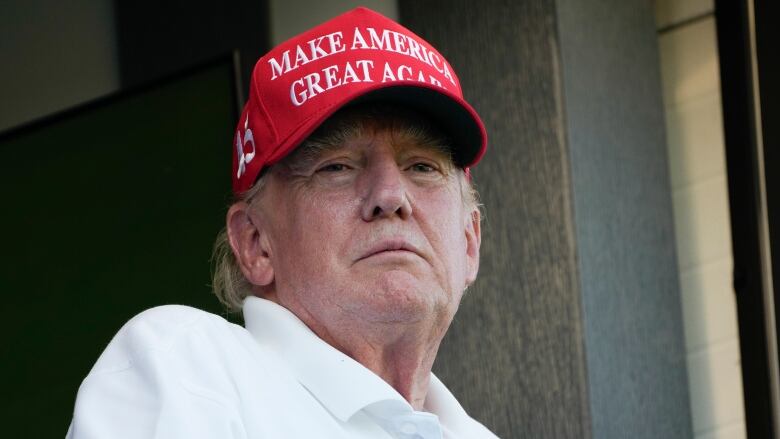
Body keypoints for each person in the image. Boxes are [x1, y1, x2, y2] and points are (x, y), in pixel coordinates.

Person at [67, 7, 497, 439]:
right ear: (255, 242)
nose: (389, 196)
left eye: (422, 166)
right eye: (337, 168)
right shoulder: (188, 367)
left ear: (468, 241)